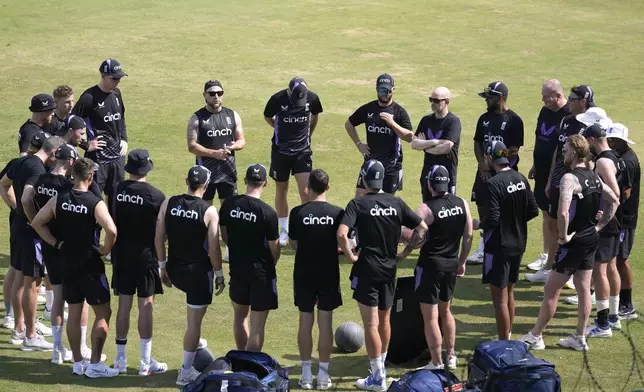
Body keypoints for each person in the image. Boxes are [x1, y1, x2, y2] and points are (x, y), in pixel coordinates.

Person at [521, 135, 619, 351]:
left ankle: (536, 336)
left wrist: (564, 236)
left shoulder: (569, 179)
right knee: (584, 288)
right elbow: (614, 199)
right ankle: (579, 337)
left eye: (565, 150)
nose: (563, 154)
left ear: (574, 151)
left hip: (574, 241)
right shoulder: (594, 177)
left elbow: (563, 212)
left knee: (551, 289)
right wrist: (599, 227)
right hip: (590, 239)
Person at [337, 159, 427, 391]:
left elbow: (342, 233)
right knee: (384, 321)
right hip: (389, 270)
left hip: (367, 270)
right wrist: (405, 253)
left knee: (370, 324)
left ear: (365, 179)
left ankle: (378, 377)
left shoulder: (357, 204)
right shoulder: (396, 203)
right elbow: (422, 228)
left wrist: (350, 255)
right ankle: (380, 370)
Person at [31, 157, 119, 377]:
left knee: (75, 310)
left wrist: (54, 243)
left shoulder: (59, 199)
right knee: (103, 312)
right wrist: (105, 250)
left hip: (66, 262)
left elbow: (37, 223)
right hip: (90, 264)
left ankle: (78, 363)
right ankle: (96, 365)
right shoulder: (94, 202)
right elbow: (112, 230)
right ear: (90, 176)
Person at [154, 165, 225, 386]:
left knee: (193, 321)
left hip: (176, 270)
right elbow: (214, 249)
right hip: (198, 275)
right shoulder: (209, 211)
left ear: (187, 181)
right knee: (194, 323)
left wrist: (162, 267)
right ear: (206, 185)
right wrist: (220, 273)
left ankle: (194, 343)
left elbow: (159, 238)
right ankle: (185, 372)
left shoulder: (169, 203)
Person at [397, 165, 472, 370]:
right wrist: (462, 261)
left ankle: (436, 362)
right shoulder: (462, 204)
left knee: (430, 317)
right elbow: (468, 236)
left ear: (429, 183)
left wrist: (403, 252)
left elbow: (410, 235)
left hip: (430, 266)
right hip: (450, 265)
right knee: (446, 311)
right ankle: (451, 356)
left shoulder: (426, 209)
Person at [0, 135, 65, 351]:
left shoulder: (22, 162)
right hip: (29, 232)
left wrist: (15, 207)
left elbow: (4, 184)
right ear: (54, 152)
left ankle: (21, 328)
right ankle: (30, 335)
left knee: (20, 278)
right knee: (33, 282)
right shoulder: (37, 170)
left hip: (18, 225)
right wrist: (36, 222)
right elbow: (28, 198)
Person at [527, 85, 595, 285]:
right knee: (550, 218)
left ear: (583, 101)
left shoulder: (591, 123)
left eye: (573, 98)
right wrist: (549, 180)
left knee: (574, 224)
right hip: (558, 181)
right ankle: (549, 266)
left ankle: (574, 272)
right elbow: (559, 150)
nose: (569, 101)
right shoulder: (566, 121)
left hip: (578, 182)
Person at [111, 149, 167, 376]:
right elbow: (161, 233)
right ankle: (145, 362)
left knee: (124, 306)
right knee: (146, 307)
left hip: (121, 255)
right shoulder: (157, 195)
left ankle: (120, 360)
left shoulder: (116, 190)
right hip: (146, 257)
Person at [476, 141, 539, 340]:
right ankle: (508, 336)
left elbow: (493, 219)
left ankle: (504, 343)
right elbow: (533, 210)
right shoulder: (520, 177)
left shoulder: (493, 184)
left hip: (499, 246)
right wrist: (514, 221)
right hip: (519, 243)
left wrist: (479, 224)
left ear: (488, 158)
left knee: (500, 300)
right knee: (510, 292)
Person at [288, 169, 344, 390]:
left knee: (305, 322)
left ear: (307, 188)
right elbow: (342, 242)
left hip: (303, 273)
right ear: (328, 188)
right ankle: (322, 376)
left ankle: (305, 375)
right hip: (328, 273)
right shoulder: (338, 213)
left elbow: (294, 243)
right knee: (326, 323)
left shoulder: (297, 213)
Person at [219, 164, 280, 353]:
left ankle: (242, 362)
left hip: (237, 269)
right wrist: (270, 263)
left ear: (245, 181)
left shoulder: (229, 204)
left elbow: (224, 235)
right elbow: (274, 248)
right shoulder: (268, 213)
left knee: (239, 316)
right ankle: (250, 367)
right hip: (261, 273)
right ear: (265, 183)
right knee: (257, 326)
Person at [468, 82, 524, 265]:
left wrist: (494, 166)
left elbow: (514, 150)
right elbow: (477, 143)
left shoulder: (514, 121)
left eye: (489, 97)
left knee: (502, 211)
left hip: (504, 174)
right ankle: (484, 247)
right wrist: (483, 165)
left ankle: (501, 244)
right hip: (483, 172)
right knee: (483, 207)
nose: (486, 101)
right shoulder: (484, 118)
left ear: (500, 98)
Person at [263, 77, 323, 246]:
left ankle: (306, 228)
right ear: (289, 93)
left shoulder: (313, 98)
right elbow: (268, 116)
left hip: (302, 152)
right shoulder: (277, 99)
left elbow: (315, 116)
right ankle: (283, 229)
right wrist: (277, 126)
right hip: (280, 152)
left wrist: (309, 133)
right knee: (281, 188)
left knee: (305, 191)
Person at [32, 144, 78, 364]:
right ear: (70, 162)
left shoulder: (40, 181)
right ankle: (80, 351)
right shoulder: (67, 187)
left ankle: (56, 351)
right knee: (76, 300)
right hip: (66, 247)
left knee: (57, 297)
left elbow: (26, 203)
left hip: (48, 244)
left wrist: (46, 237)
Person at [582, 119, 624, 338]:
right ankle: (614, 317)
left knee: (600, 272)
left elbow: (614, 194)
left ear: (591, 140)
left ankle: (603, 323)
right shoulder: (615, 157)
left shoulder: (603, 163)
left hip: (607, 224)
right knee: (611, 268)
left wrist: (601, 221)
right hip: (615, 223)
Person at [72, 58, 129, 213]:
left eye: (119, 78)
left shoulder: (116, 93)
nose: (117, 81)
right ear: (103, 76)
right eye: (114, 78)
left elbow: (121, 118)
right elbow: (72, 121)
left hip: (117, 159)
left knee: (117, 201)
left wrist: (124, 139)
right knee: (94, 201)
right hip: (98, 160)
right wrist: (85, 144)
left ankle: (114, 235)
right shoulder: (89, 98)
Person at [345, 74, 413, 196]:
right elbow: (349, 124)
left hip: (391, 166)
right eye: (381, 90)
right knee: (359, 200)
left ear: (393, 90)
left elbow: (409, 137)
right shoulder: (368, 109)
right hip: (370, 163)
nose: (384, 94)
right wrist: (359, 144)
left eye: (387, 90)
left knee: (386, 204)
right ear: (376, 89)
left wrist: (392, 123)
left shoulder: (399, 112)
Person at [526, 80, 570, 272]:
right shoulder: (545, 111)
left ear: (558, 96)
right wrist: (536, 164)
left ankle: (559, 257)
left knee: (556, 216)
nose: (542, 99)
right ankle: (546, 255)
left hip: (558, 174)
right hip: (542, 171)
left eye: (546, 96)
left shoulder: (568, 115)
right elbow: (539, 137)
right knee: (546, 214)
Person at [186, 80, 246, 203]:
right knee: (205, 212)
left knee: (229, 213)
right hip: (204, 174)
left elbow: (241, 140)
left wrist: (234, 146)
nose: (216, 97)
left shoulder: (232, 115)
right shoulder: (197, 118)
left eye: (219, 93)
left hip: (228, 173)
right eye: (212, 94)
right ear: (204, 95)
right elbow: (192, 146)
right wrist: (214, 154)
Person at [605, 124, 640, 319]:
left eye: (612, 140)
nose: (609, 143)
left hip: (625, 219)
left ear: (620, 141)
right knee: (615, 259)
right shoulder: (623, 157)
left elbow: (625, 193)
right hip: (622, 217)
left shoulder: (627, 161)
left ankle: (627, 304)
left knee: (621, 259)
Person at [411, 87, 462, 199]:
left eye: (437, 100)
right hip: (427, 175)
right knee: (427, 210)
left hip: (446, 176)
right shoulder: (426, 120)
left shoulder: (453, 121)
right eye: (431, 99)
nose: (433, 103)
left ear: (447, 101)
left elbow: (446, 147)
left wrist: (424, 145)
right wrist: (435, 142)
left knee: (447, 211)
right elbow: (414, 144)